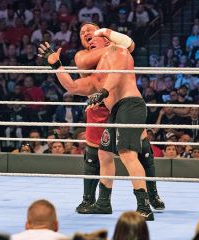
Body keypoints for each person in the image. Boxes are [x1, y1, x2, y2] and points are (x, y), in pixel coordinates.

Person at [38, 36, 154, 220]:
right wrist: (56, 65)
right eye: (87, 41)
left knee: (127, 154)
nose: (90, 42)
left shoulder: (117, 51)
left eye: (94, 39)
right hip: (116, 112)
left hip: (131, 105)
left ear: (107, 42)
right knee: (104, 153)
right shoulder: (95, 77)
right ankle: (103, 203)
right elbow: (72, 86)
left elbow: (116, 73)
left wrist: (103, 92)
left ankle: (144, 207)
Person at [73, 23, 164, 214]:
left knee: (138, 152)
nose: (86, 33)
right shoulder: (84, 56)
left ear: (102, 36)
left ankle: (148, 199)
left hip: (125, 103)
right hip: (102, 107)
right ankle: (99, 202)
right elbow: (77, 81)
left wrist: (108, 37)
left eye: (90, 30)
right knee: (100, 154)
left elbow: (128, 46)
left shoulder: (116, 50)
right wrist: (56, 66)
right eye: (82, 32)